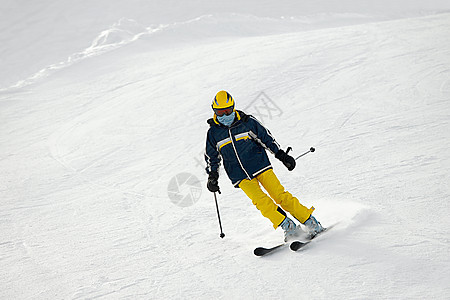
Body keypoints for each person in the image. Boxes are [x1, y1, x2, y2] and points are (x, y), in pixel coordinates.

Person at [204, 90, 324, 241]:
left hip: (260, 165)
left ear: (233, 107)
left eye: (227, 111)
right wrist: (212, 176)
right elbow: (212, 157)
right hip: (239, 175)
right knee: (262, 203)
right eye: (220, 112)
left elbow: (266, 139)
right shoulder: (213, 133)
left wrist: (281, 155)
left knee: (280, 196)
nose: (224, 116)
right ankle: (289, 227)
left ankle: (311, 222)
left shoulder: (247, 122)